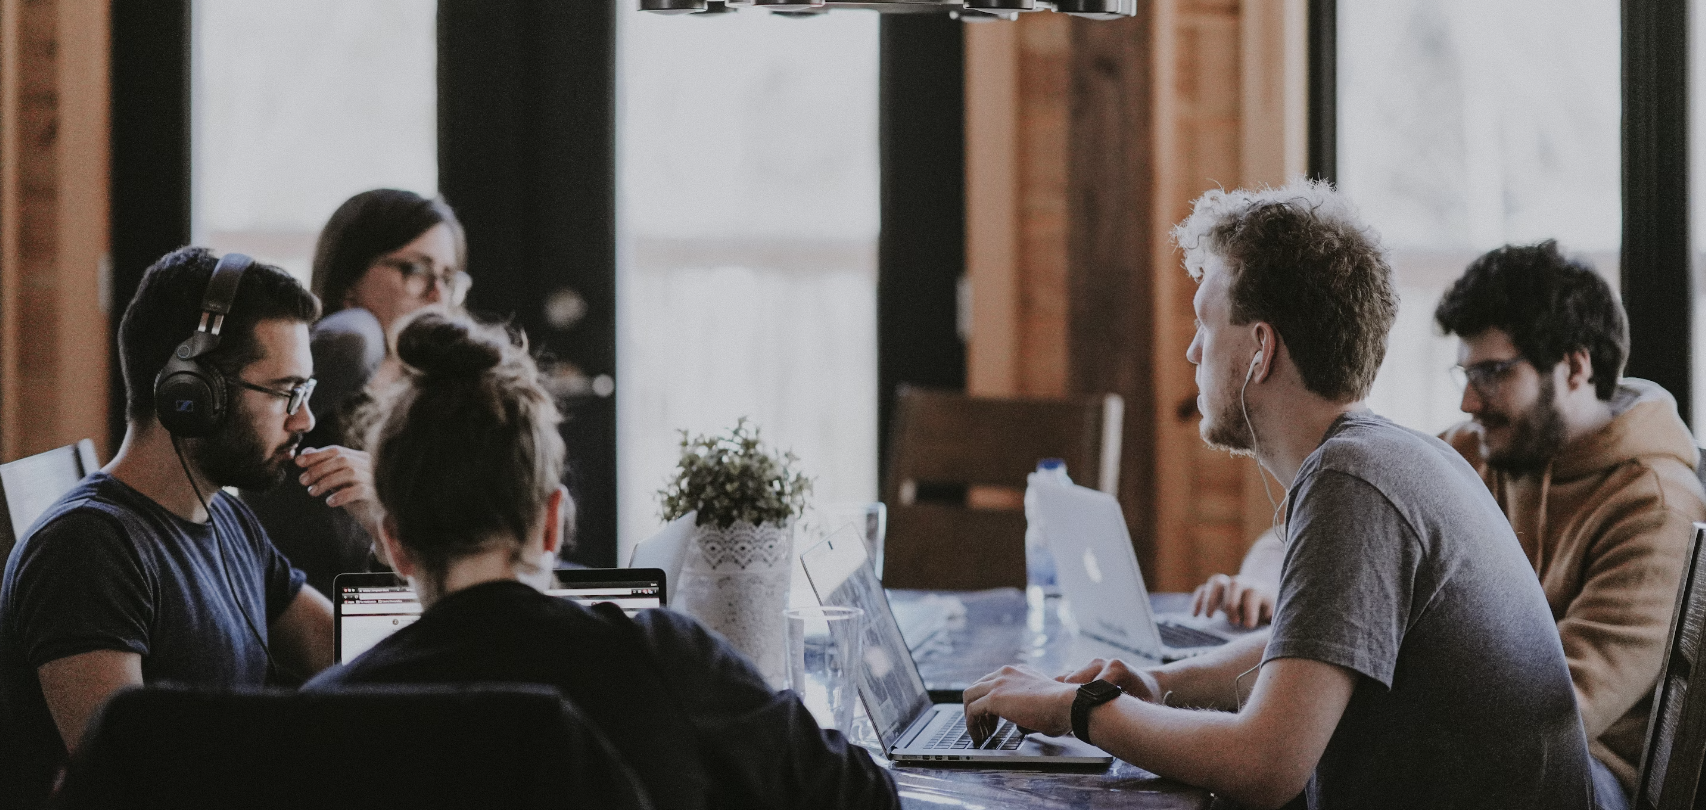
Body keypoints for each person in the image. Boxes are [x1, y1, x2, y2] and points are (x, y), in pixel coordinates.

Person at [963, 180, 1593, 809]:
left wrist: (1075, 708)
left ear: (1260, 348)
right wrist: (1158, 683)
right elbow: (1306, 646)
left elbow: (1265, 765)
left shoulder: (1352, 480)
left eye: (1204, 324)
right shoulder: (1400, 455)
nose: (1191, 349)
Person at [303, 311, 898, 810]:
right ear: (553, 522)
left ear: (395, 543)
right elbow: (865, 797)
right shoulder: (665, 662)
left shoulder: (329, 714)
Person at [1190, 240, 1705, 807]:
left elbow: (1556, 713)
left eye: (1492, 373)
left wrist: (1309, 689)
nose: (1467, 401)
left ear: (1576, 366)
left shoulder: (1656, 505)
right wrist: (1268, 584)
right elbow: (1328, 535)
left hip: (1578, 779)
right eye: (1464, 372)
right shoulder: (1477, 449)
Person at [0, 248, 343, 809]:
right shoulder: (85, 549)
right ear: (190, 393)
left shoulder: (227, 520)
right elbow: (128, 783)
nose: (303, 420)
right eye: (286, 392)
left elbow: (343, 654)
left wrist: (394, 527)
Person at [242, 189, 468, 596]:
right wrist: (361, 323)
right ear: (349, 279)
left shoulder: (441, 394)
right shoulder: (323, 377)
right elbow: (348, 341)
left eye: (449, 278)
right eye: (416, 269)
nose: (438, 294)